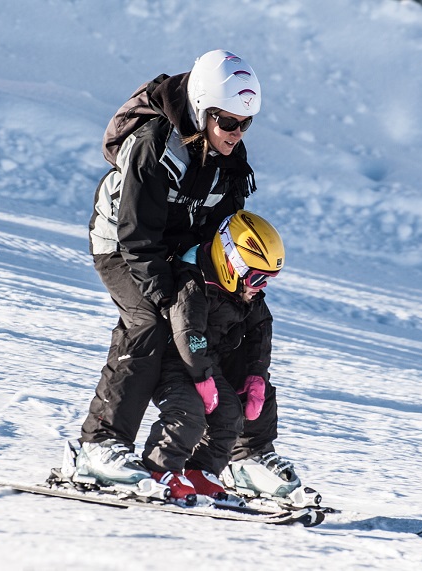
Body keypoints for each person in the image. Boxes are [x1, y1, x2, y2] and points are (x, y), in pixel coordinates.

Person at [74, 49, 262, 485]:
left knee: (232, 319)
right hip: (122, 246)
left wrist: (227, 280)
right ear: (201, 109)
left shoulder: (227, 152)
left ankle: (227, 457)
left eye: (245, 123)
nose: (237, 134)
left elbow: (225, 225)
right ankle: (100, 445)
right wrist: (163, 295)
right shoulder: (154, 144)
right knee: (149, 325)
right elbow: (136, 236)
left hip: (178, 253)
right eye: (228, 122)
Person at [141, 210, 285, 501]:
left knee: (230, 413)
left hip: (205, 365)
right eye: (257, 277)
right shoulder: (194, 281)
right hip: (174, 363)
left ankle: (200, 471)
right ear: (232, 262)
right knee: (187, 414)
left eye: (267, 279)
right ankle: (159, 470)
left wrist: (257, 374)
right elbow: (187, 331)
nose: (261, 287)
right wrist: (202, 377)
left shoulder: (242, 288)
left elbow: (261, 327)